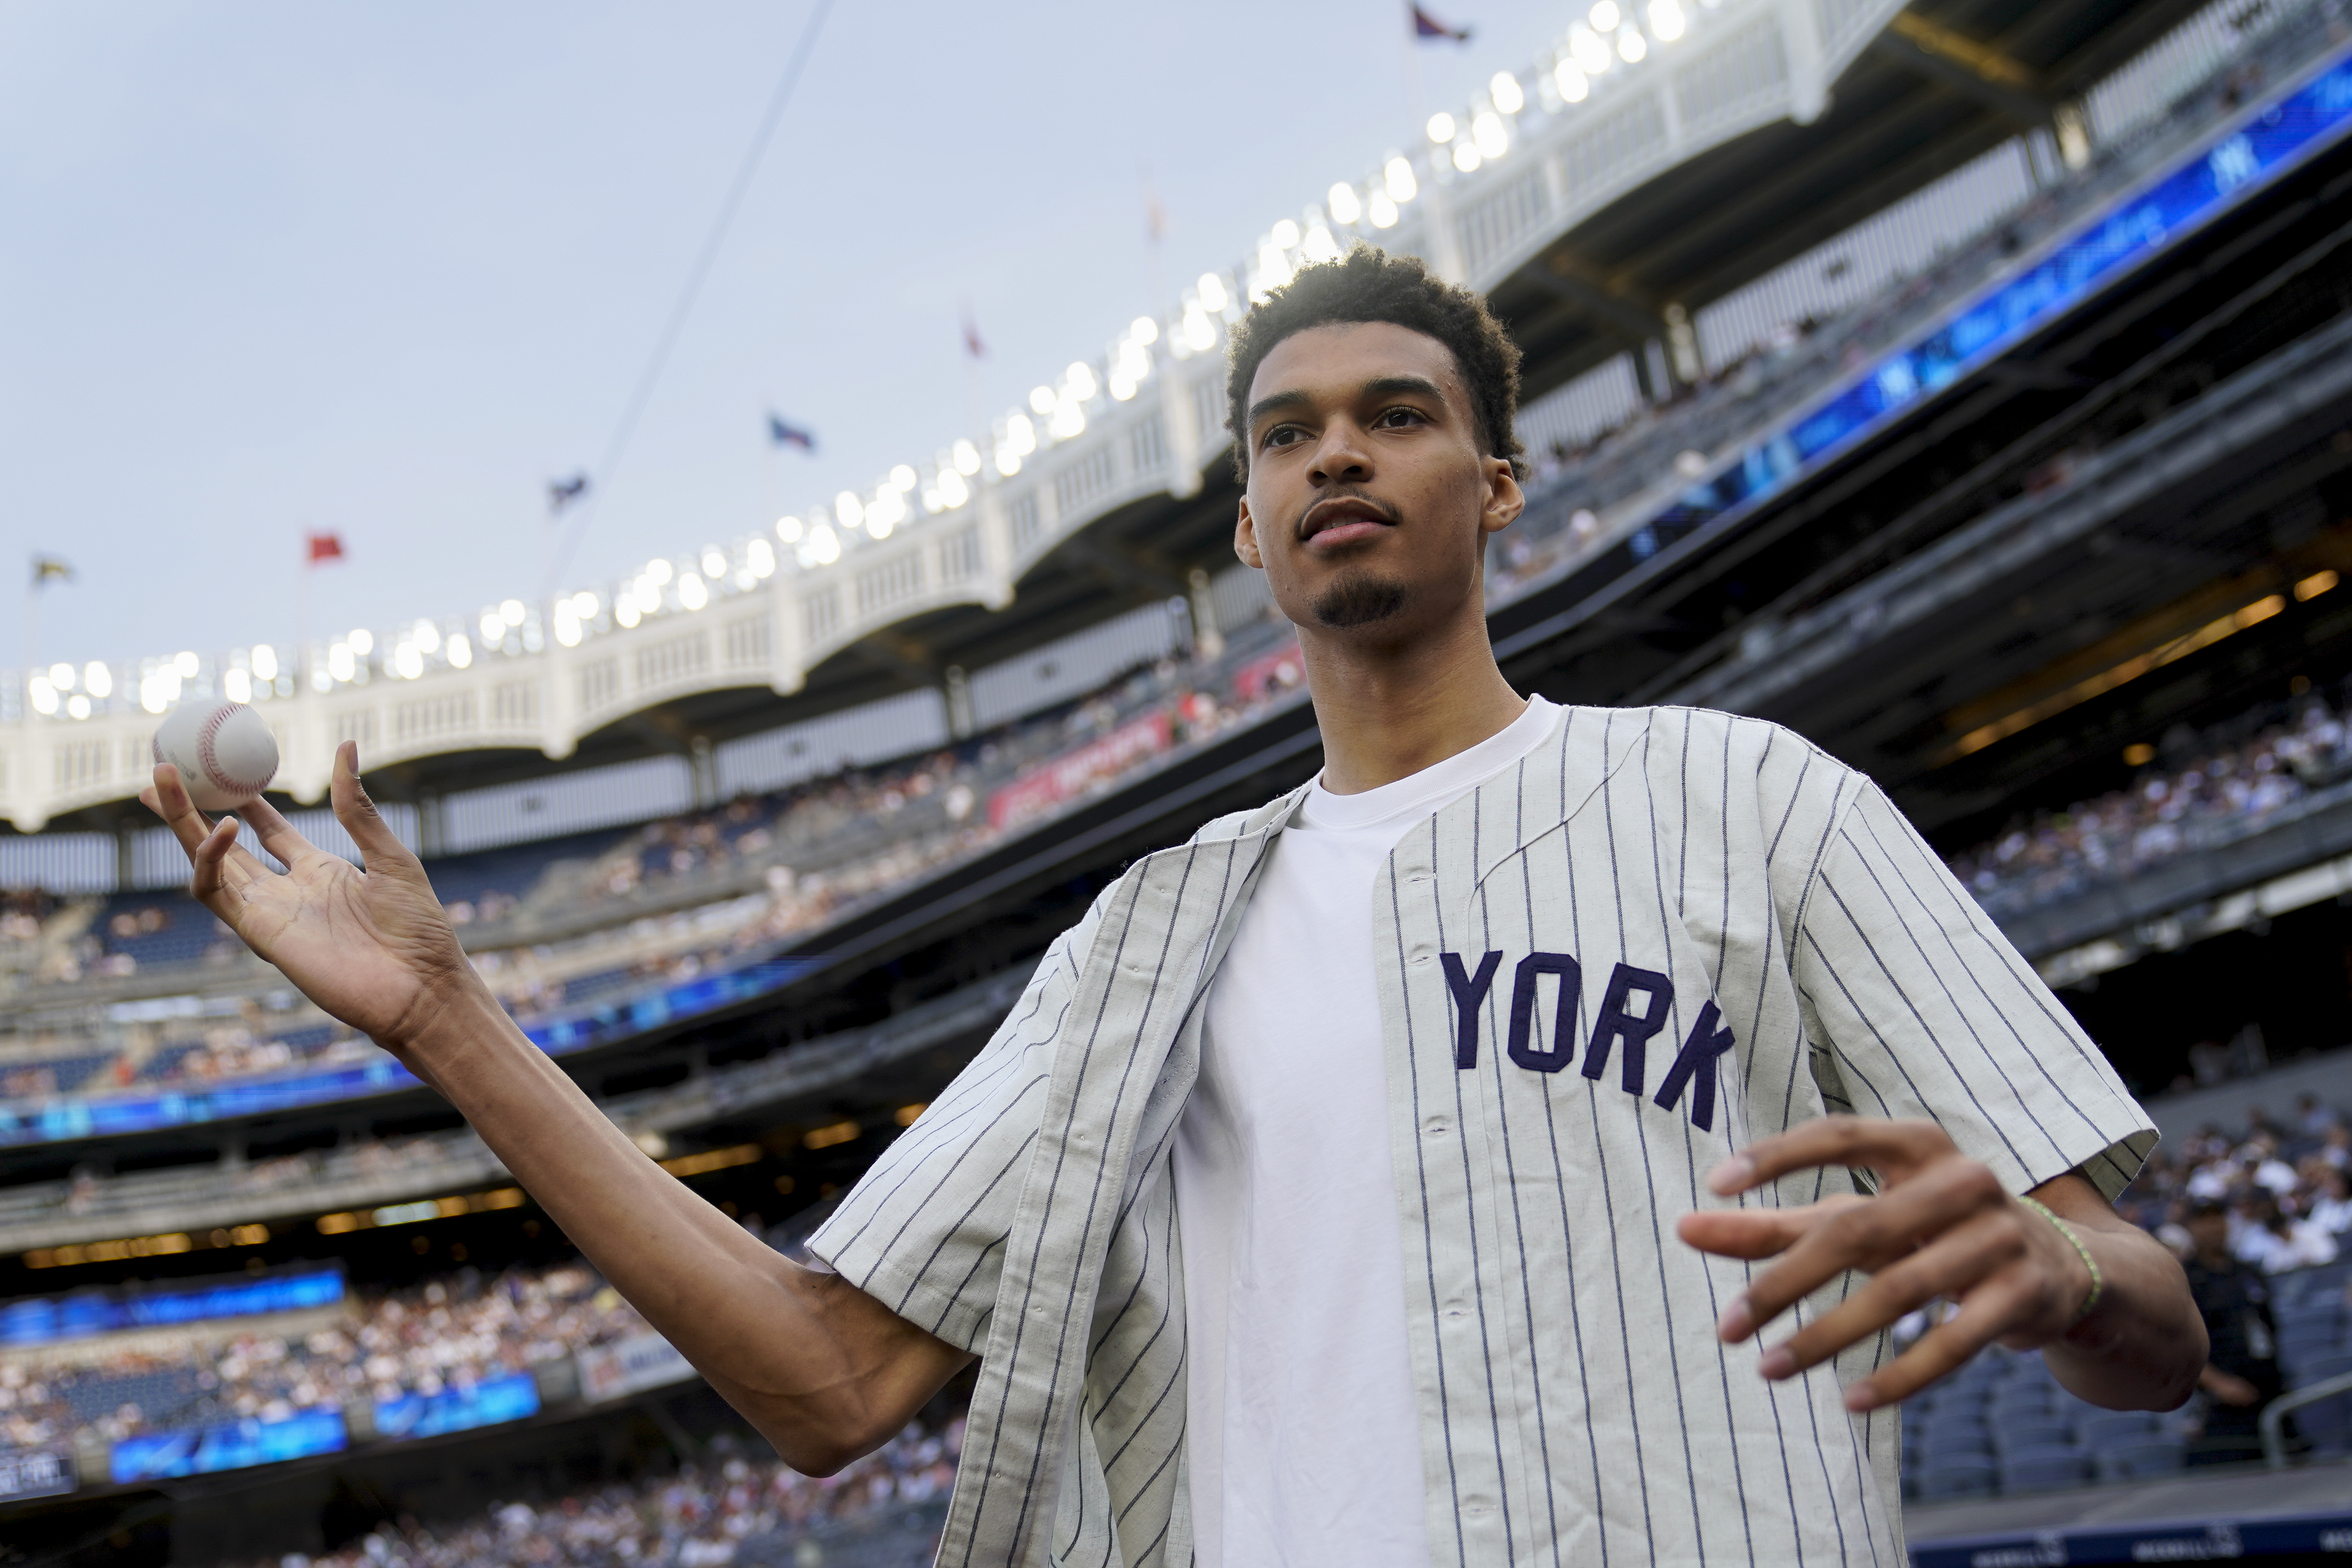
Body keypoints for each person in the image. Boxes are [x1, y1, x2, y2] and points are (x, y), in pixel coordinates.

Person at [144, 248, 2205, 1567]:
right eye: (1285, 431)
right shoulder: (1139, 940)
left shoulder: (1745, 799)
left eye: (1398, 414)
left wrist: (2054, 1255)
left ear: (1493, 483)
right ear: (1242, 523)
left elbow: (2155, 1326)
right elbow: (821, 1380)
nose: (1339, 453)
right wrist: (451, 1024)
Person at [2182, 1198, 2283, 1465]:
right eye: (2205, 1220)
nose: (2215, 1227)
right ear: (2192, 1227)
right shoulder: (2185, 1279)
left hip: (2268, 1386)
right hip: (2223, 1402)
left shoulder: (2248, 1272)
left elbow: (2270, 1328)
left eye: (2219, 1218)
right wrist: (2218, 1383)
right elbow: (2176, 1345)